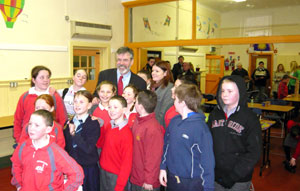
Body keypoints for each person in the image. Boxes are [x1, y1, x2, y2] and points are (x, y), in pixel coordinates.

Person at [207, 75, 262, 191]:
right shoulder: (214, 114)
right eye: (222, 91)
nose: (224, 94)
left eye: (230, 91)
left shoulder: (250, 118)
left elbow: (254, 152)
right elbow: (207, 143)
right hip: (216, 176)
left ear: (240, 92)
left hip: (239, 179)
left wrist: (233, 176)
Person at [160, 84, 215, 191]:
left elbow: (207, 162)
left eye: (175, 99)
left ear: (182, 103)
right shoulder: (174, 121)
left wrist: (208, 188)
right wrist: (162, 168)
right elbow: (166, 146)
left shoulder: (201, 129)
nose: (173, 102)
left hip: (191, 183)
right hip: (171, 178)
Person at [11, 110, 84, 191]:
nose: (31, 128)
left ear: (48, 129)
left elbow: (77, 174)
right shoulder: (23, 146)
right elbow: (16, 165)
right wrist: (19, 185)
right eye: (30, 124)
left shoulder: (56, 152)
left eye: (37, 125)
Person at [14, 65, 68, 143]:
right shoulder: (25, 97)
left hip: (49, 141)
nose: (46, 80)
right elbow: (18, 120)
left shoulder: (55, 97)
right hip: (27, 139)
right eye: (42, 77)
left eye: (48, 77)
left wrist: (55, 138)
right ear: (34, 80)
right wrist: (19, 139)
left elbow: (62, 119)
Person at [64, 90, 102, 191]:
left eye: (81, 102)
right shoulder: (69, 123)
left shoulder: (93, 123)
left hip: (88, 167)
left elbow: (88, 148)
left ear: (89, 105)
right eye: (75, 101)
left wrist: (74, 134)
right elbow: (67, 147)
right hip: (73, 167)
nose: (77, 104)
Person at [130, 90, 164, 191]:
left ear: (140, 106)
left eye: (135, 101)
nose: (134, 103)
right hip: (136, 176)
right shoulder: (138, 120)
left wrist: (149, 180)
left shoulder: (153, 129)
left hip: (146, 182)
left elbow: (154, 157)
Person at [99, 95, 133, 191]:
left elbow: (127, 163)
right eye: (109, 107)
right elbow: (101, 144)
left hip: (116, 177)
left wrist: (120, 186)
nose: (111, 110)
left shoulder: (126, 134)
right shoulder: (110, 126)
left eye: (115, 107)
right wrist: (101, 127)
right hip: (104, 171)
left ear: (124, 110)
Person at [90, 80, 116, 148]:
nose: (105, 95)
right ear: (98, 92)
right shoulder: (92, 109)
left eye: (108, 92)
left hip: (111, 146)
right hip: (95, 146)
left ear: (113, 94)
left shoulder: (117, 110)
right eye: (102, 92)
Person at [151, 61, 174, 127]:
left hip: (159, 125)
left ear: (165, 73)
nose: (153, 73)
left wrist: (155, 126)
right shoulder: (152, 86)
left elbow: (164, 112)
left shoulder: (169, 88)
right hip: (150, 123)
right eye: (153, 71)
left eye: (157, 71)